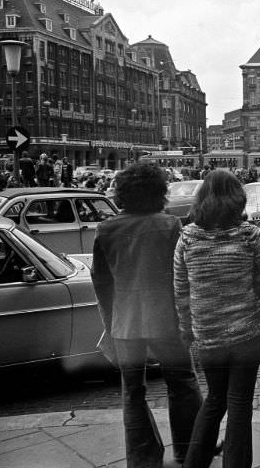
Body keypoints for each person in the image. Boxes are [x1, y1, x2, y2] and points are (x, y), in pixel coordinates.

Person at [91, 163, 203, 467]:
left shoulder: (106, 229)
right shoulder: (169, 226)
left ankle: (143, 457)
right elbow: (183, 278)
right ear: (158, 192)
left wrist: (110, 323)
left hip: (125, 323)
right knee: (182, 381)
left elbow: (101, 282)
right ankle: (190, 449)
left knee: (133, 391)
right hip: (166, 319)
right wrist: (188, 319)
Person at [174, 171, 260, 468]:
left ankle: (193, 463)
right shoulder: (250, 235)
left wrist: (188, 331)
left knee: (214, 400)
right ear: (238, 198)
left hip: (208, 336)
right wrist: (254, 280)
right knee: (239, 405)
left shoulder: (186, 238)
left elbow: (181, 291)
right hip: (248, 333)